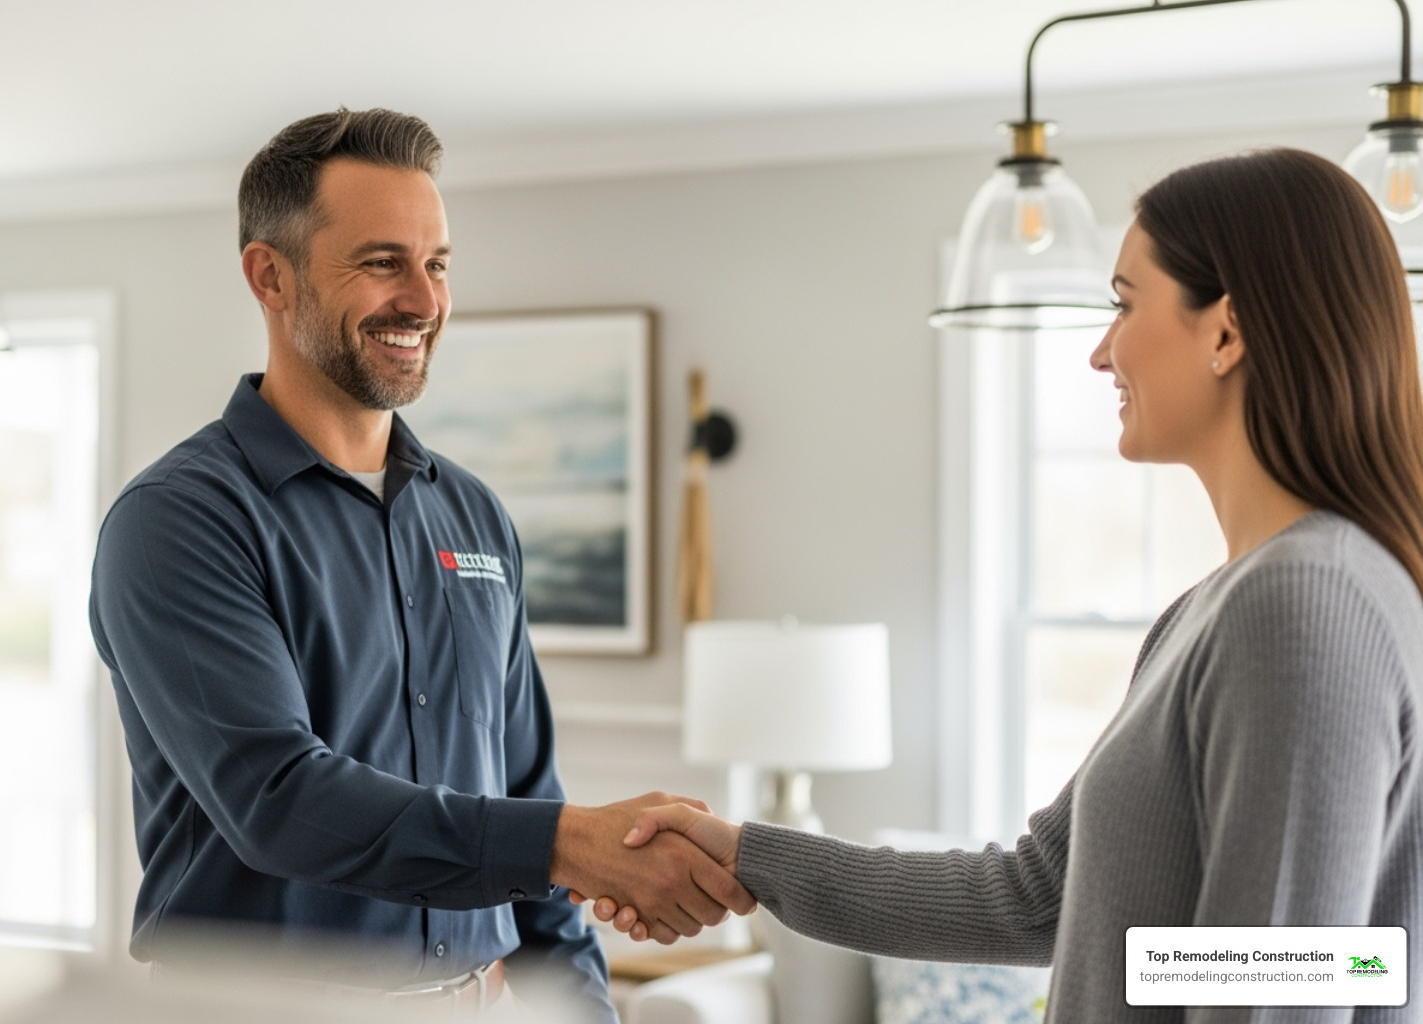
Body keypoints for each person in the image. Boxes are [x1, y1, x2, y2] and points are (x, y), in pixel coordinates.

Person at [587, 148, 1423, 1023]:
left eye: (1123, 305)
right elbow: (1038, 896)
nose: (1101, 352)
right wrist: (751, 855)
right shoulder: (1222, 607)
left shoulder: (1307, 603)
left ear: (1226, 331)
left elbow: (1285, 979)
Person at [89, 107, 752, 1021]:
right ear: (269, 276)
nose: (424, 301)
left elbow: (523, 792)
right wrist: (565, 842)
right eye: (381, 262)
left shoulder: (474, 515)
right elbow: (280, 801)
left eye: (437, 264)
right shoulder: (179, 521)